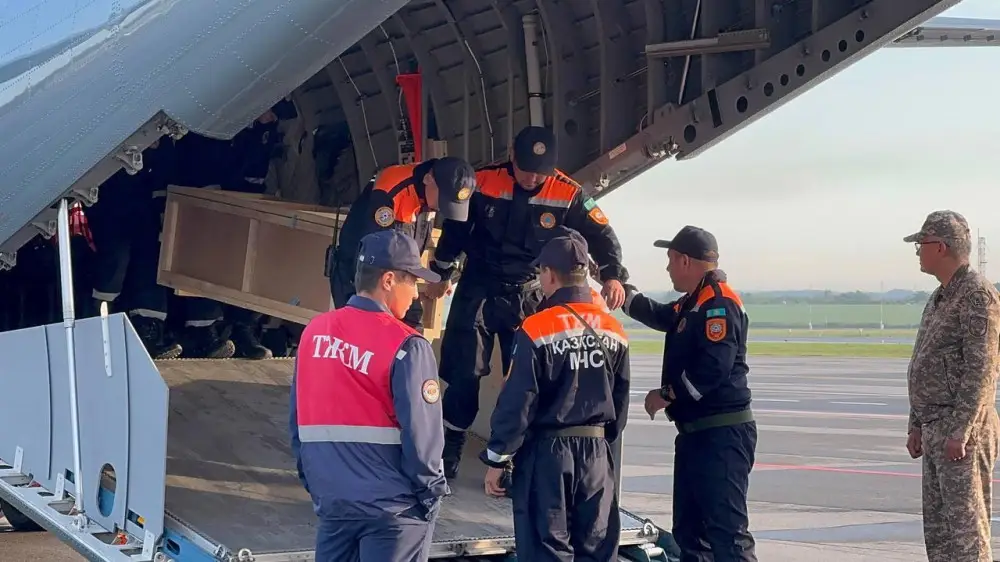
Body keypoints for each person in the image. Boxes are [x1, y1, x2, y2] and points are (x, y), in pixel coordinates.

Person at [428, 125, 629, 478]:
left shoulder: (568, 192)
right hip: (479, 286)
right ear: (511, 156)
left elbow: (601, 234)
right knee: (464, 373)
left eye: (540, 173)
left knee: (522, 378)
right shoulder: (484, 181)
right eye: (525, 170)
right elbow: (456, 231)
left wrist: (613, 275)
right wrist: (441, 271)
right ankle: (451, 446)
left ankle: (512, 457)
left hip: (528, 292)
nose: (532, 178)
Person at [289, 229, 450, 562]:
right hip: (393, 510)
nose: (416, 295)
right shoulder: (406, 344)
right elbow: (422, 436)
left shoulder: (314, 333)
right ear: (388, 280)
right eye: (413, 282)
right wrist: (431, 492)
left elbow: (298, 422)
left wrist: (317, 484)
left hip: (334, 503)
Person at [481, 230, 630, 562]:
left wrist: (497, 459)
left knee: (546, 550)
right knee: (596, 549)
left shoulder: (536, 327)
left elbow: (519, 401)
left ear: (549, 274)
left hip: (548, 455)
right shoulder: (614, 329)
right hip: (596, 455)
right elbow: (620, 403)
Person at [623, 225, 757, 562]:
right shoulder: (695, 302)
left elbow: (713, 368)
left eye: (670, 260)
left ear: (685, 260)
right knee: (690, 534)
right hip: (697, 435)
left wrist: (667, 394)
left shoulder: (718, 303)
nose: (667, 268)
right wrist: (621, 289)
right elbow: (660, 315)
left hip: (721, 435)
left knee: (727, 535)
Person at [902, 210, 1000, 562]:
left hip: (961, 433)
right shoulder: (941, 296)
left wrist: (961, 430)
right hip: (936, 429)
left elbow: (982, 370)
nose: (918, 251)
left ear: (940, 247)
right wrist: (916, 423)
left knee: (966, 536)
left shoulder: (976, 296)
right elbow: (924, 361)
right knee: (940, 535)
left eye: (921, 244)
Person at [171, 100, 299, 359]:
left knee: (248, 263)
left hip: (246, 196)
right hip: (208, 191)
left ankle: (242, 328)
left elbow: (256, 167)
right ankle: (203, 330)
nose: (271, 119)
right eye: (269, 112)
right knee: (207, 261)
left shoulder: (263, 129)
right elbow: (206, 160)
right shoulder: (218, 116)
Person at [327, 157, 476, 331]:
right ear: (428, 179)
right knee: (371, 334)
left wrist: (439, 275)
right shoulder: (389, 193)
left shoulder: (428, 193)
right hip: (361, 279)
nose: (441, 208)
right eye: (443, 201)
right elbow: (372, 258)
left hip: (396, 277)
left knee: (412, 330)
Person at [84, 138, 183, 359]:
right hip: (111, 196)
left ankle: (148, 335)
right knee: (114, 264)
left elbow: (166, 162)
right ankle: (99, 335)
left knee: (149, 265)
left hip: (144, 200)